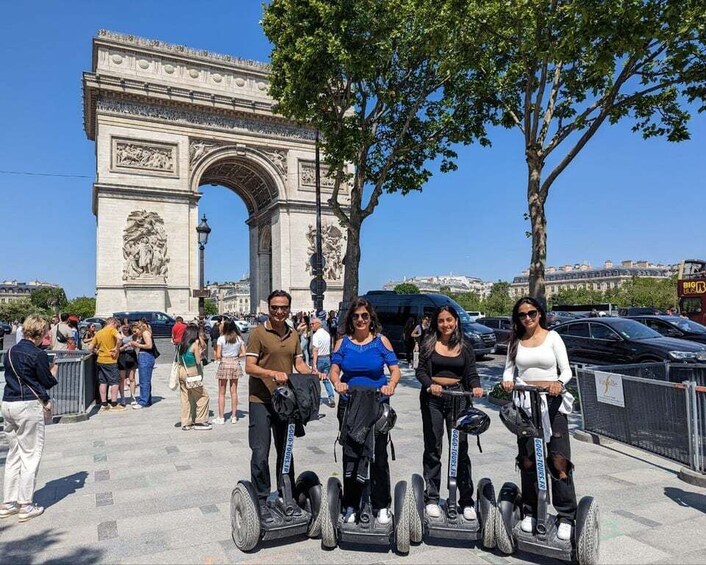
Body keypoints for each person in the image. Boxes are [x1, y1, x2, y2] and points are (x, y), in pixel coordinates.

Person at [501, 296, 577, 541]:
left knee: (558, 460)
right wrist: (507, 380)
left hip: (552, 403)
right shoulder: (516, 340)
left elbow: (566, 370)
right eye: (522, 315)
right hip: (525, 403)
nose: (527, 318)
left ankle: (565, 515)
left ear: (540, 314)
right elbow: (509, 369)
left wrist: (558, 383)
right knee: (528, 460)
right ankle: (531, 511)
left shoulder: (553, 337)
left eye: (532, 313)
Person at [245, 290, 317, 522]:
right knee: (260, 452)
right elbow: (249, 366)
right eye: (275, 307)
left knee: (286, 453)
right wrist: (272, 373)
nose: (279, 312)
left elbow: (298, 362)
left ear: (289, 309)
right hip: (261, 401)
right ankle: (262, 498)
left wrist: (313, 373)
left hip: (285, 402)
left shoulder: (294, 334)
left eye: (283, 307)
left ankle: (287, 496)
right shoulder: (258, 333)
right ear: (268, 308)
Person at [328, 297, 401, 525]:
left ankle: (381, 504)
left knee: (378, 454)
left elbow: (395, 370)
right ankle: (351, 502)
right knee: (351, 453)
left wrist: (391, 384)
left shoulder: (381, 342)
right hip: (350, 403)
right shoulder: (343, 343)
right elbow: (333, 371)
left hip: (377, 402)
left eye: (365, 316)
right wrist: (337, 384)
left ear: (371, 319)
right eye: (356, 316)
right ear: (351, 319)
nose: (360, 320)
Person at [415, 306, 484, 520]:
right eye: (442, 321)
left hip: (459, 398)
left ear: (456, 321)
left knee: (461, 448)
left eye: (450, 320)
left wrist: (476, 386)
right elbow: (421, 371)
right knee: (433, 447)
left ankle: (465, 500)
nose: (446, 324)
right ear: (436, 323)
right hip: (433, 399)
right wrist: (430, 384)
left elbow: (471, 373)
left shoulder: (465, 346)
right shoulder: (428, 344)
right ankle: (433, 497)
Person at [1, 315, 58, 522]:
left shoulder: (10, 351)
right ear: (42, 332)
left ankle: (8, 503)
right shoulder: (38, 354)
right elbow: (46, 381)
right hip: (27, 406)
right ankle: (25, 504)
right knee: (30, 454)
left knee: (13, 454)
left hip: (8, 403)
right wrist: (53, 371)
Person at [177, 324, 212, 430]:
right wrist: (201, 354)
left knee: (185, 397)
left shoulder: (181, 344)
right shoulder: (194, 345)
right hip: (192, 371)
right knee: (203, 395)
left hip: (182, 370)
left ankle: (186, 422)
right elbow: (198, 361)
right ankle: (200, 421)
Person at [214, 319, 246, 424]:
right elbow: (244, 353)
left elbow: (218, 355)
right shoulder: (239, 339)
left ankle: (221, 417)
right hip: (235, 364)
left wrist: (223, 356)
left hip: (224, 363)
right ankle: (234, 416)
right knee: (234, 392)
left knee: (221, 393)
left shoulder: (221, 339)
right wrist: (236, 356)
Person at [92, 317, 127, 413]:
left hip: (100, 360)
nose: (117, 327)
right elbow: (120, 338)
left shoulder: (99, 332)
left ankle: (104, 404)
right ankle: (114, 404)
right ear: (113, 323)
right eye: (117, 325)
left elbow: (91, 347)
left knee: (103, 382)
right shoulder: (112, 330)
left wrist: (97, 351)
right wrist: (116, 348)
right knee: (115, 382)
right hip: (111, 360)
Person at [130, 321, 157, 409]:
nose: (135, 333)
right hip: (144, 356)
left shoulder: (145, 333)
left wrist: (137, 344)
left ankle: (143, 401)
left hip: (146, 356)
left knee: (144, 380)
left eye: (135, 331)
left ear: (139, 328)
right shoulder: (142, 334)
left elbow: (149, 345)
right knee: (145, 380)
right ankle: (147, 399)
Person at [311, 316, 336, 408]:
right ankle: (331, 396)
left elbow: (315, 350)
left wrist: (314, 364)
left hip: (319, 359)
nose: (311, 326)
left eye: (313, 324)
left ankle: (318, 399)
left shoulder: (316, 335)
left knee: (316, 380)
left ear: (318, 324)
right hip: (327, 358)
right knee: (326, 379)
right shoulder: (327, 334)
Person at [118, 324, 138, 406]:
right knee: (122, 378)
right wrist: (125, 346)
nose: (126, 328)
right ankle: (122, 397)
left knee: (131, 378)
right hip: (122, 355)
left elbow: (136, 346)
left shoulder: (133, 335)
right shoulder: (118, 335)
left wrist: (135, 345)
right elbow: (117, 349)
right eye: (124, 327)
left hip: (131, 355)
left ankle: (132, 396)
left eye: (127, 327)